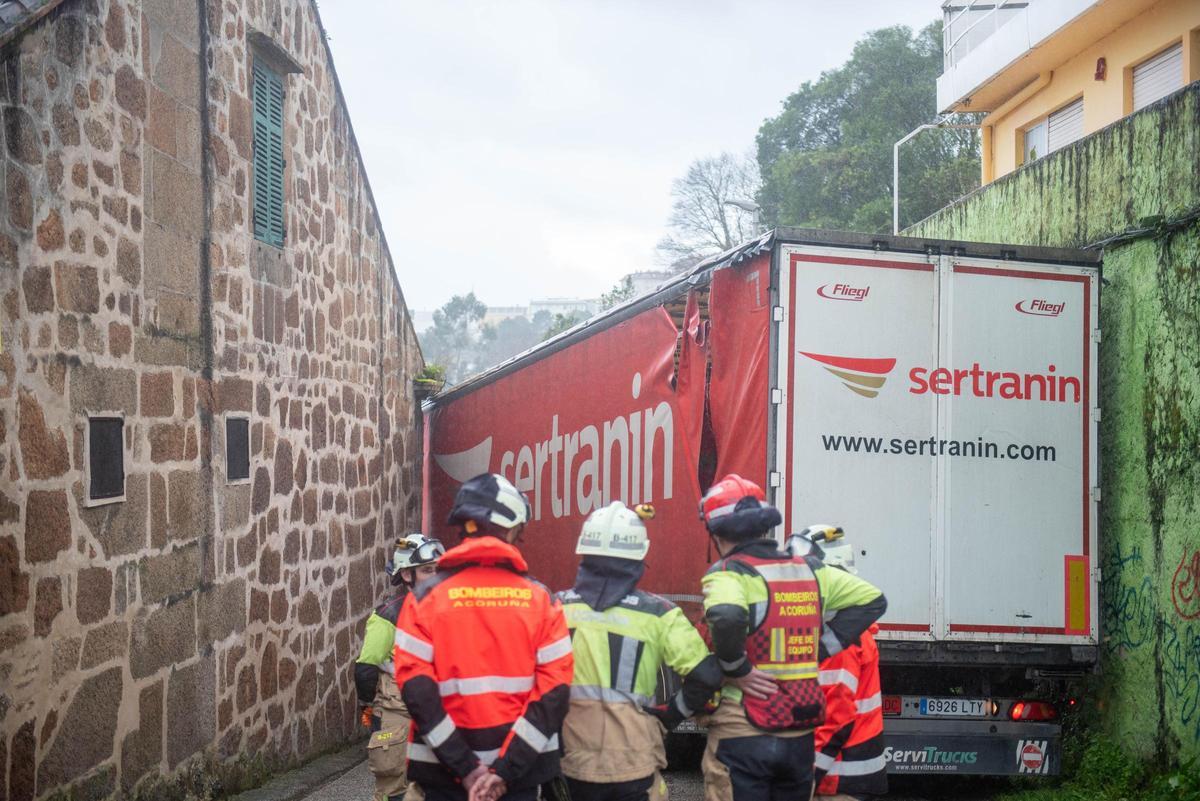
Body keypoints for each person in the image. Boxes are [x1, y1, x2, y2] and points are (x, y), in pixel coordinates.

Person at [697, 475, 887, 801]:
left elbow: (725, 615)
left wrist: (737, 667)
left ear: (716, 532)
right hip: (797, 739)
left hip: (744, 735)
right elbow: (874, 600)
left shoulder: (730, 573)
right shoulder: (809, 570)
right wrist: (820, 648)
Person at [392, 473, 574, 801]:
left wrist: (468, 770)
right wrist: (504, 773)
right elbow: (554, 695)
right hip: (519, 781)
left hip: (444, 780)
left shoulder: (421, 601)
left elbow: (418, 694)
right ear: (512, 528)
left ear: (463, 527)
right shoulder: (541, 600)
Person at [556, 501, 723, 801]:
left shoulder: (555, 608)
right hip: (635, 760)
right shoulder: (660, 613)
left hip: (573, 762)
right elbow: (706, 676)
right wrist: (671, 716)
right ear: (638, 559)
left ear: (584, 553)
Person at [789, 526, 887, 801]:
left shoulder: (838, 639)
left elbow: (835, 715)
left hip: (839, 780)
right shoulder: (846, 629)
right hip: (845, 774)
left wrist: (806, 777)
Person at [354, 534, 446, 801]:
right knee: (394, 788)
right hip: (398, 713)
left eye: (439, 569)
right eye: (428, 570)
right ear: (406, 575)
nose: (437, 576)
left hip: (440, 713)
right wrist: (368, 707)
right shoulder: (388, 616)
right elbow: (366, 668)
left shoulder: (451, 610)